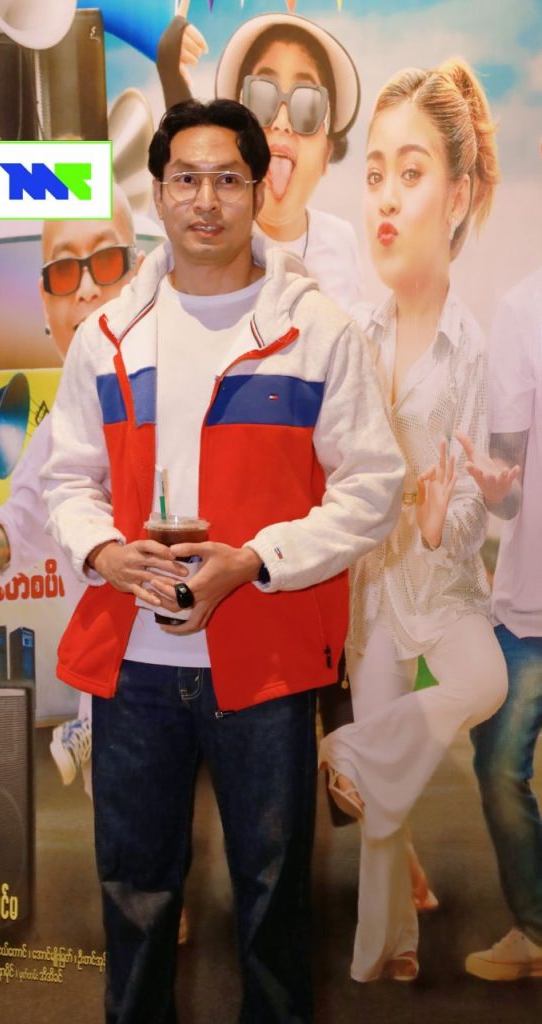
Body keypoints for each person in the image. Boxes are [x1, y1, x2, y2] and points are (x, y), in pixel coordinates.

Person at [42, 98, 404, 1023]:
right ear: (158, 193)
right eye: (185, 180)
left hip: (266, 662)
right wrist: (104, 550)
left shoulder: (317, 332)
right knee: (134, 895)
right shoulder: (107, 336)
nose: (205, 200)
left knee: (273, 900)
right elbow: (66, 478)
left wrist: (254, 561)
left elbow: (372, 486)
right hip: (133, 669)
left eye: (227, 179)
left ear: (258, 188)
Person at [317, 60, 508, 983]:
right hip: (370, 593)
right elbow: (332, 468)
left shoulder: (474, 350)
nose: (385, 198)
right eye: (373, 175)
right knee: (383, 804)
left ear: (458, 195)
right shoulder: (351, 335)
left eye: (411, 172)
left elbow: (474, 502)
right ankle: (384, 946)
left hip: (441, 587)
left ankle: (347, 752)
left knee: (482, 680)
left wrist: (440, 522)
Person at [0, 187, 141, 788]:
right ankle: (91, 725)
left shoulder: (187, 386)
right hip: (117, 683)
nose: (86, 288)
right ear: (45, 302)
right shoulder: (55, 435)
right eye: (63, 271)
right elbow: (17, 534)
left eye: (105, 261)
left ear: (139, 273)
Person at [458, 155, 542, 978]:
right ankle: (536, 931)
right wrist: (493, 491)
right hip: (530, 607)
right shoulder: (522, 310)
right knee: (496, 769)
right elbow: (510, 493)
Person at [157, 10, 362, 310]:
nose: (281, 122)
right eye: (262, 97)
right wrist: (171, 76)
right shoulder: (211, 228)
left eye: (308, 105)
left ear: (327, 153)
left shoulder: (340, 240)